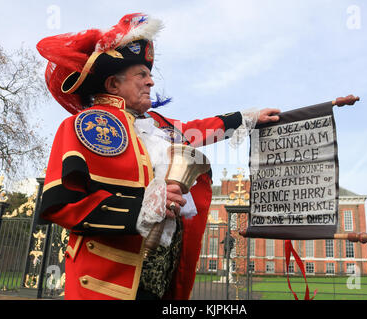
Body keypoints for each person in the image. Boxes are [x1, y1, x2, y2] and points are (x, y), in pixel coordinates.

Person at [36, 13, 280, 300]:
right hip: (107, 283)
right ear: (113, 85)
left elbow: (197, 129)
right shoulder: (85, 125)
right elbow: (63, 205)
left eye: (150, 75)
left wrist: (246, 118)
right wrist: (140, 208)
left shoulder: (157, 126)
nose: (151, 82)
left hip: (161, 282)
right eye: (142, 75)